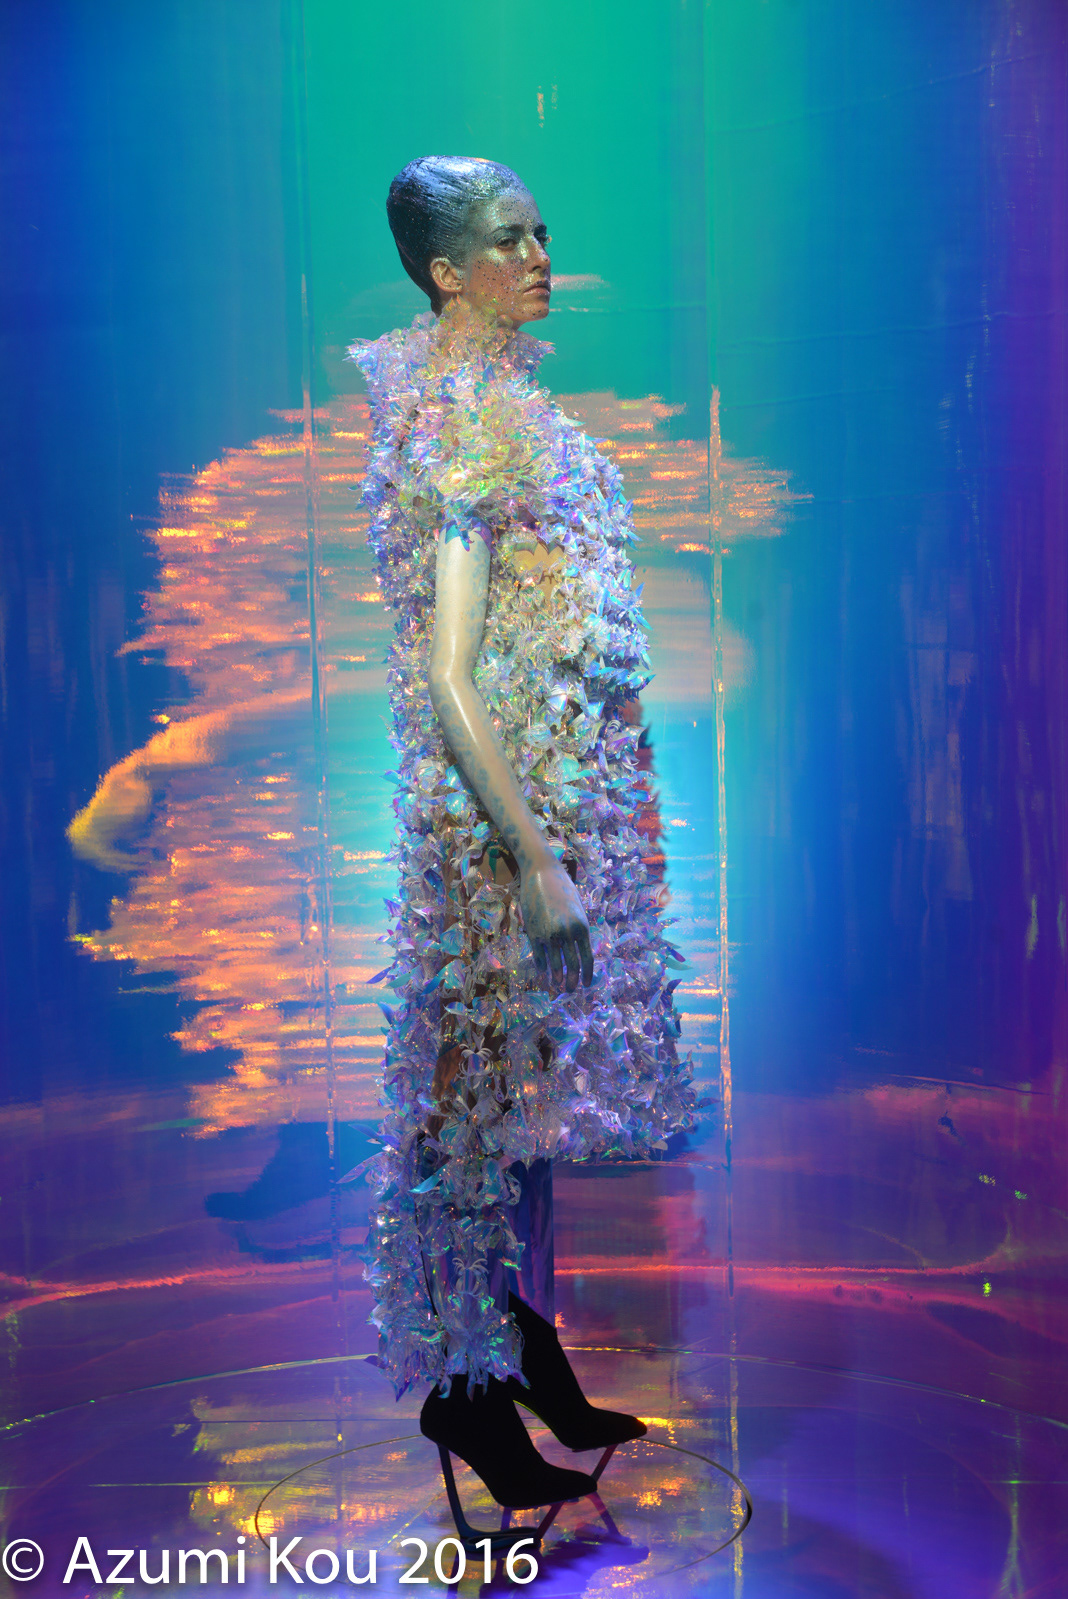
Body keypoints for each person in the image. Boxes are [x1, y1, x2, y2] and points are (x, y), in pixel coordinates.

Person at [349, 157, 697, 1524]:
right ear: (446, 271)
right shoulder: (455, 417)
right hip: (502, 822)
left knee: (526, 1097)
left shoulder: (508, 405)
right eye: (509, 239)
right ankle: (466, 1381)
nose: (540, 254)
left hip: (560, 799)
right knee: (474, 1104)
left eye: (544, 230)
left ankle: (522, 1340)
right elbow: (447, 673)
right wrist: (536, 852)